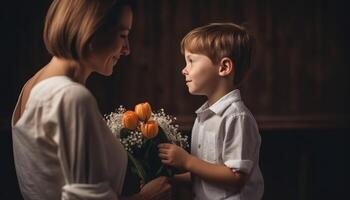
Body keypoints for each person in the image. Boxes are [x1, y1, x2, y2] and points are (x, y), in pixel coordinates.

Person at [11, 0, 171, 199]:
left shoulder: (33, 85)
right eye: (123, 35)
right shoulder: (70, 96)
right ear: (90, 29)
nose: (127, 49)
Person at [158, 23, 264, 200]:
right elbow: (206, 173)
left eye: (191, 61)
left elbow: (236, 177)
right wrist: (172, 180)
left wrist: (187, 161)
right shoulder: (204, 117)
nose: (184, 70)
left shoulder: (236, 117)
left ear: (224, 67)